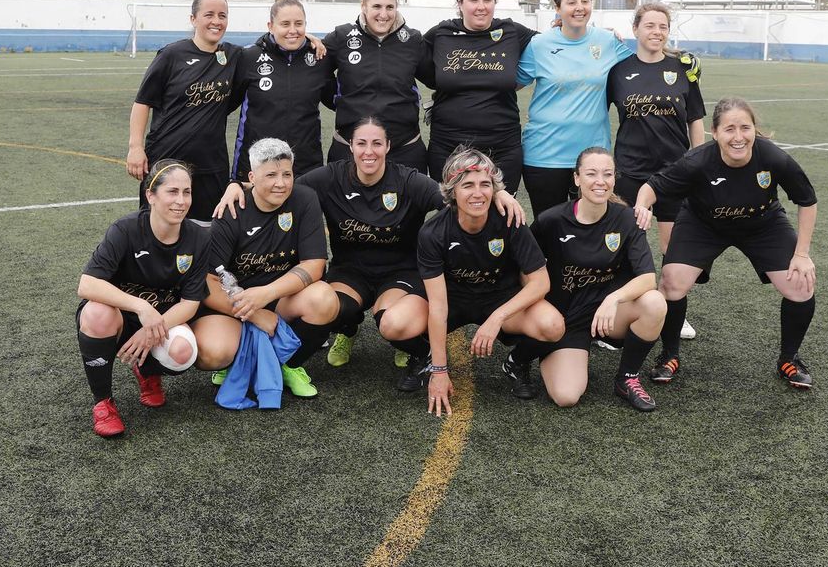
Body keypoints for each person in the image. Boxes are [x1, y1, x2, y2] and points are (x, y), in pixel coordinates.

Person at [214, 117, 527, 386]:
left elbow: (454, 196)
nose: (369, 151)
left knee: (391, 322)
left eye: (377, 143)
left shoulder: (408, 180)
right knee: (333, 307)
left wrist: (498, 194)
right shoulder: (330, 177)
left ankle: (416, 349)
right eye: (361, 143)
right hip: (350, 272)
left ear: (388, 147)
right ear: (350, 146)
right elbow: (281, 183)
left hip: (400, 273)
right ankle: (345, 332)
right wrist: (237, 186)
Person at [634, 98, 819, 389]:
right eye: (729, 129)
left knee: (801, 284)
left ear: (754, 130)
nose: (738, 137)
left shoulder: (772, 158)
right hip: (703, 223)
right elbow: (652, 187)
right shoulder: (697, 161)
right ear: (715, 132)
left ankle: (789, 359)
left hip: (762, 223)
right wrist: (643, 206)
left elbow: (807, 200)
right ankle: (669, 355)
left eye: (745, 128)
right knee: (671, 282)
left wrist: (802, 254)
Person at [75, 159, 236, 437]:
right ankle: (103, 403)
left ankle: (147, 372)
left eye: (187, 192)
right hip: (122, 316)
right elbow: (87, 284)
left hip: (164, 320)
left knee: (183, 352)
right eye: (172, 192)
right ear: (150, 195)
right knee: (96, 314)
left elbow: (190, 302)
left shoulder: (198, 237)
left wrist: (151, 329)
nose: (181, 201)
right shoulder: (125, 229)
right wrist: (141, 307)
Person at [418, 147, 565, 416]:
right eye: (468, 186)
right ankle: (424, 357)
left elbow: (541, 282)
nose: (478, 193)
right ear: (452, 191)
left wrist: (497, 317)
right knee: (402, 324)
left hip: (500, 299)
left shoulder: (510, 219)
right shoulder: (433, 232)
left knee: (553, 325)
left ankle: (516, 362)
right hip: (454, 303)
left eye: (485, 184)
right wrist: (440, 371)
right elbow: (438, 306)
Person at [527, 148, 666, 411]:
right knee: (566, 396)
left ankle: (627, 378)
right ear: (577, 178)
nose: (600, 181)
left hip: (608, 316)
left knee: (654, 303)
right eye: (591, 173)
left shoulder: (627, 218)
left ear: (615, 179)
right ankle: (544, 353)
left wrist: (613, 299)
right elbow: (527, 268)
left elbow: (648, 278)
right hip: (567, 319)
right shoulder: (551, 220)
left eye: (607, 174)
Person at [202, 137, 337, 398]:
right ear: (251, 177)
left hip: (281, 299)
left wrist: (266, 294)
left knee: (324, 298)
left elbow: (315, 264)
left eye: (287, 174)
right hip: (237, 307)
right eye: (271, 174)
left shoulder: (305, 199)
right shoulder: (230, 211)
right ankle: (237, 362)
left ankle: (287, 364)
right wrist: (253, 312)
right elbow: (207, 281)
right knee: (212, 352)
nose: (281, 183)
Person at [608, 0, 705, 346]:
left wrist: (697, 163)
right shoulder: (618, 70)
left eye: (663, 26)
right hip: (629, 172)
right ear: (636, 29)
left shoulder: (683, 69)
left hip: (675, 173)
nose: (656, 32)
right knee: (621, 245)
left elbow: (695, 119)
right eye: (649, 25)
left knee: (672, 246)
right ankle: (617, 313)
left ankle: (672, 313)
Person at [516, 0, 633, 214]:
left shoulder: (608, 41)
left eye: (585, 0)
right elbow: (509, 85)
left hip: (592, 158)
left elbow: (641, 68)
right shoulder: (539, 45)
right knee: (547, 227)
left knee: (590, 232)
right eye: (571, 2)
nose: (579, 7)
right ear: (558, 8)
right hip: (544, 155)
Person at [419, 0, 537, 193]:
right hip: (448, 146)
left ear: (494, 3)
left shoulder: (512, 32)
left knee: (501, 215)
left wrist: (599, 36)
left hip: (502, 147)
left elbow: (555, 45)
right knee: (452, 215)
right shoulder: (440, 34)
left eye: (487, 0)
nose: (481, 6)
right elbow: (407, 54)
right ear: (460, 3)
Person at [128, 0, 240, 221]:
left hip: (212, 165)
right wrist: (135, 148)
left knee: (207, 230)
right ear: (193, 19)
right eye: (209, 15)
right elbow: (142, 102)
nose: (216, 21)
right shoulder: (172, 55)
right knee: (158, 229)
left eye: (222, 15)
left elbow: (270, 47)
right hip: (166, 157)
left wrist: (308, 38)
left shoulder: (234, 56)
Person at [226, 0, 335, 182]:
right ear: (270, 26)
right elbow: (226, 104)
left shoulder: (318, 59)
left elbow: (337, 100)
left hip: (305, 167)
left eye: (299, 24)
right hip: (257, 166)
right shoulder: (248, 57)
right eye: (285, 24)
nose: (292, 30)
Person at [323, 0, 427, 172]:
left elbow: (436, 77)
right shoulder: (341, 37)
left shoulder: (413, 40)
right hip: (350, 147)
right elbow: (317, 73)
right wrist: (339, 101)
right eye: (376, 6)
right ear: (363, 6)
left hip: (405, 148)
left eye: (390, 7)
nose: (383, 14)